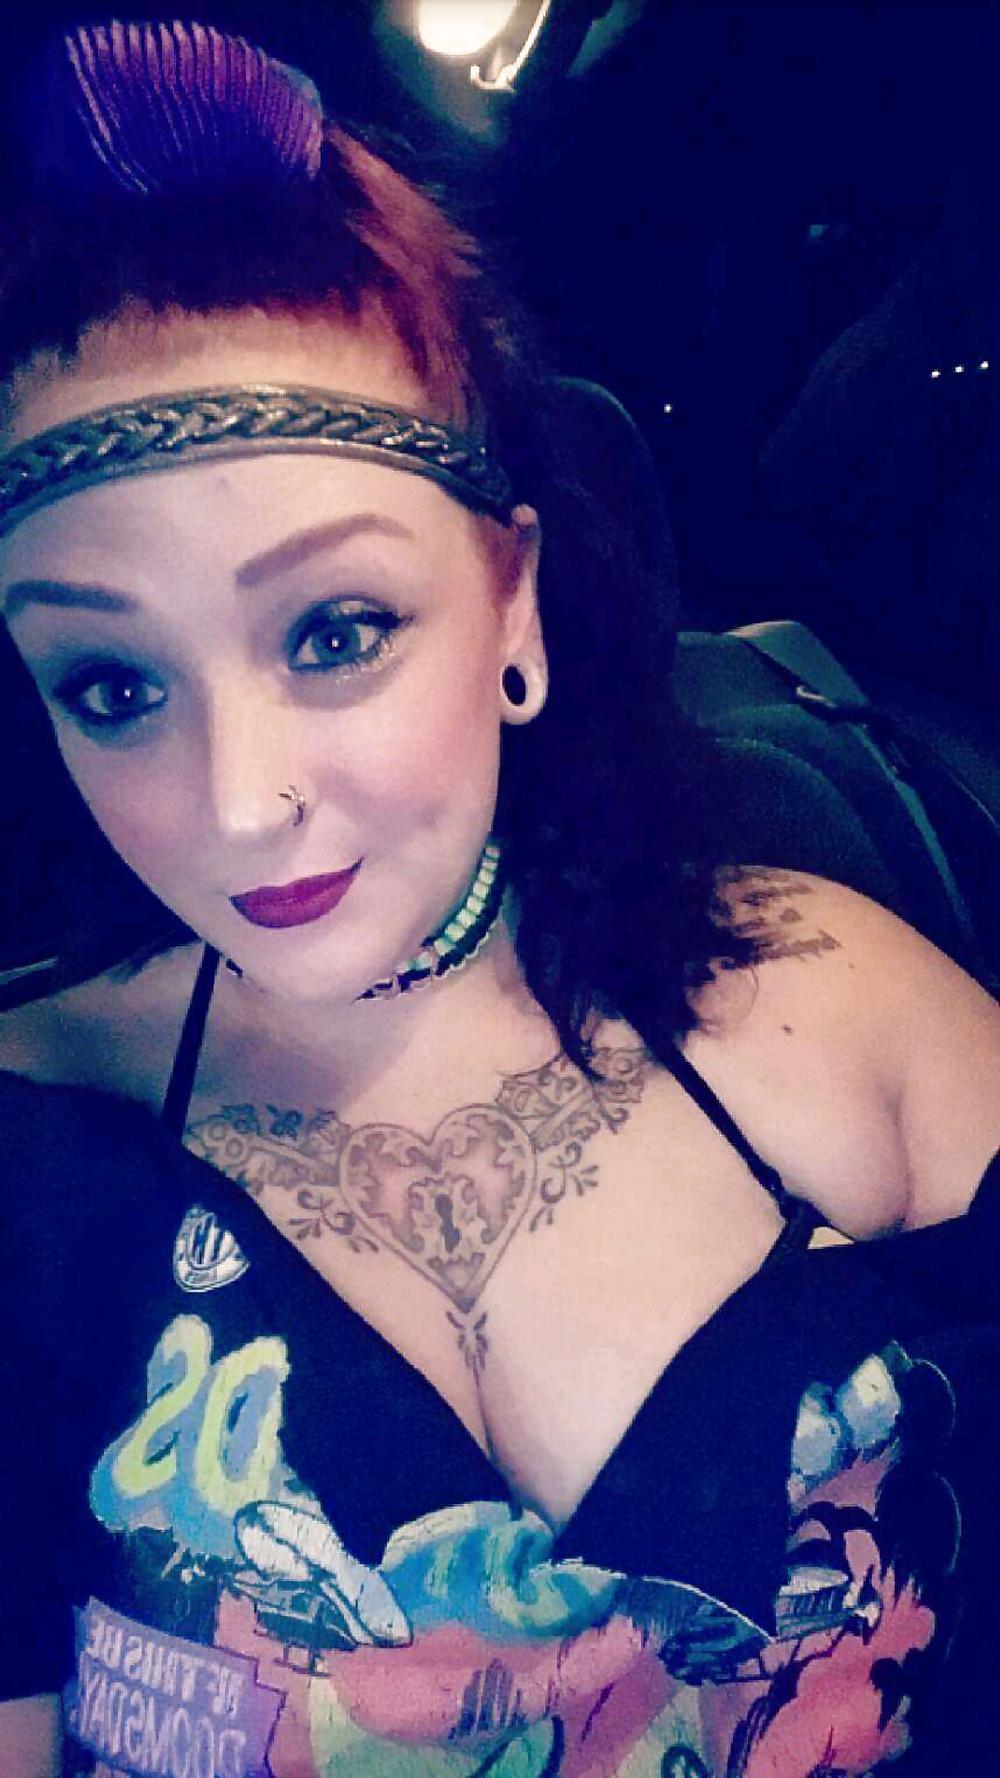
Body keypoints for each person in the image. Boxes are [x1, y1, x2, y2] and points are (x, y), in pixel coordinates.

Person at [0, 19, 997, 1778]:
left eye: (337, 630)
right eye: (114, 684)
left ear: (514, 595)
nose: (237, 803)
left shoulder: (852, 1002)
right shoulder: (32, 1135)